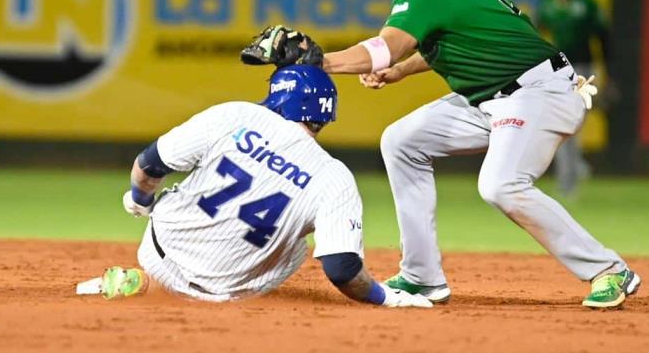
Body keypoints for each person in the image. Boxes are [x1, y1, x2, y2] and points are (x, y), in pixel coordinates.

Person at [245, 0, 640, 308]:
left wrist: (320, 61)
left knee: (501, 185)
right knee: (402, 141)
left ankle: (607, 270)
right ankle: (422, 277)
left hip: (537, 93)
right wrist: (401, 72)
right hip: (497, 97)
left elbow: (387, 47)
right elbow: (451, 42)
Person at [99, 65, 432, 309]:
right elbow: (341, 268)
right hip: (226, 294)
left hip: (155, 253)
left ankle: (150, 285)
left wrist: (142, 200)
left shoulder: (237, 115)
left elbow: (149, 164)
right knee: (299, 244)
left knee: (182, 191)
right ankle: (188, 296)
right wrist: (387, 298)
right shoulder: (335, 176)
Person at [535, 0, 613, 195]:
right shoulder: (548, 3)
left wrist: (608, 74)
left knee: (572, 122)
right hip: (559, 69)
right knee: (564, 123)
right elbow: (537, 34)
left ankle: (575, 168)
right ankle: (570, 177)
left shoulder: (586, 3)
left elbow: (604, 38)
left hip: (584, 71)